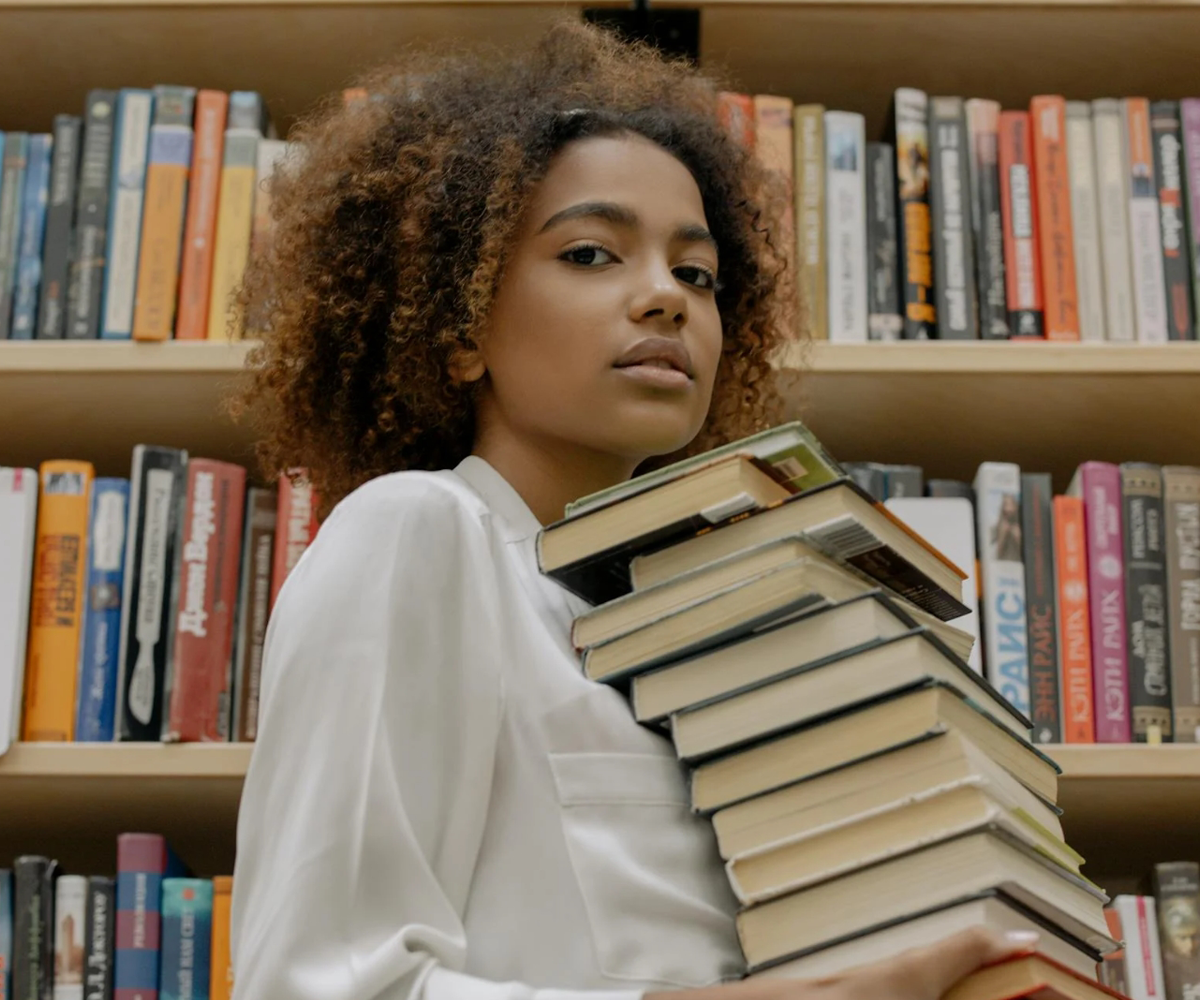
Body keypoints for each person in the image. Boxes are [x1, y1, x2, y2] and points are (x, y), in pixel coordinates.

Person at [228, 20, 1038, 1000]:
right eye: (589, 254)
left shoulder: (694, 624)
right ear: (457, 329)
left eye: (697, 272)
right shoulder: (416, 532)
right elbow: (318, 985)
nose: (665, 297)